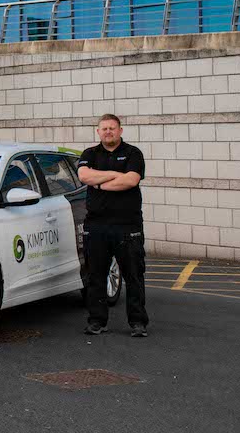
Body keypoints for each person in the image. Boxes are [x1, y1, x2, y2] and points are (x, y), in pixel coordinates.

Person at [76, 113, 149, 338]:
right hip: (96, 225)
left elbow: (130, 181)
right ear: (98, 132)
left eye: (112, 128)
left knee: (134, 276)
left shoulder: (133, 153)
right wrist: (112, 175)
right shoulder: (90, 154)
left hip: (127, 226)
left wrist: (100, 184)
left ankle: (138, 323)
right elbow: (84, 176)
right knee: (95, 276)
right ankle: (97, 321)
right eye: (104, 128)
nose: (108, 132)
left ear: (120, 131)